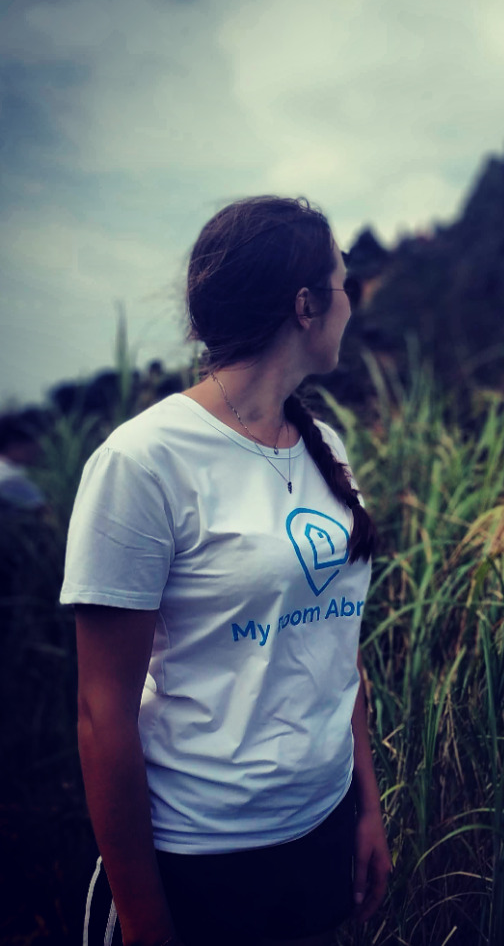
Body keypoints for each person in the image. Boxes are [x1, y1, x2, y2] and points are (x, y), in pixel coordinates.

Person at [62, 196, 391, 946]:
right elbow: (102, 715)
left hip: (320, 827)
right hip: (203, 856)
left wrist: (366, 809)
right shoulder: (143, 461)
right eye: (343, 284)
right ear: (306, 306)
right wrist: (146, 924)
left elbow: (336, 650)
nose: (351, 303)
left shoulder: (324, 446)